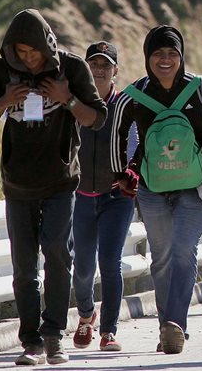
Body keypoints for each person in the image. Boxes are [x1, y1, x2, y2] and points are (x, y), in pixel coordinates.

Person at [0, 10, 106, 366]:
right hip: (17, 184)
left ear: (48, 45)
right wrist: (4, 101)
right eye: (21, 53)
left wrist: (67, 97)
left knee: (58, 255)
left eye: (34, 52)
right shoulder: (1, 72)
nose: (29, 59)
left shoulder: (72, 69)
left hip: (61, 182)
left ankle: (54, 336)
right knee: (24, 268)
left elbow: (96, 117)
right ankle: (31, 342)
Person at [113, 26, 202, 356]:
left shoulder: (201, 89)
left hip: (195, 186)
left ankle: (175, 325)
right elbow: (116, 127)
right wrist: (123, 171)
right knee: (162, 258)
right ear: (147, 58)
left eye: (172, 53)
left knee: (184, 249)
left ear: (182, 56)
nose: (165, 60)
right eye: (158, 54)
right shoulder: (135, 93)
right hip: (152, 188)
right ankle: (166, 325)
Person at [70, 42, 136, 353]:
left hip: (116, 197)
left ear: (115, 71)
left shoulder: (125, 104)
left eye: (106, 65)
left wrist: (132, 173)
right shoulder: (72, 103)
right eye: (94, 64)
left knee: (110, 262)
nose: (99, 70)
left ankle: (108, 331)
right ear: (85, 68)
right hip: (80, 195)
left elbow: (138, 142)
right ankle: (86, 314)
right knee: (82, 268)